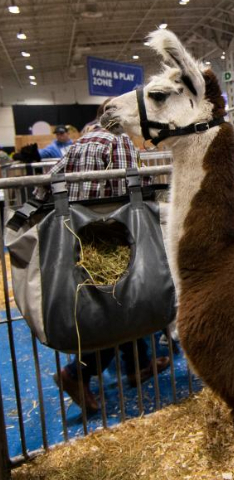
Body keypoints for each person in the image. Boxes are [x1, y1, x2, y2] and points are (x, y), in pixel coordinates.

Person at [38, 110, 170, 414]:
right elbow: (137, 183)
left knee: (108, 305)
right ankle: (75, 374)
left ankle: (139, 365)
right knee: (120, 308)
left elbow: (45, 184)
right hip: (113, 236)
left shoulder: (79, 142)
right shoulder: (119, 142)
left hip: (81, 238)